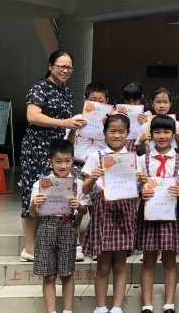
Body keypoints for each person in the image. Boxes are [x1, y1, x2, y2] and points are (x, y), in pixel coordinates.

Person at [20, 50, 86, 262]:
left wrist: (73, 128)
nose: (65, 70)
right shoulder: (39, 87)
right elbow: (32, 116)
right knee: (33, 191)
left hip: (58, 147)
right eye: (61, 66)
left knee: (55, 191)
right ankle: (29, 248)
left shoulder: (66, 92)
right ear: (50, 66)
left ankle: (49, 242)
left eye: (69, 67)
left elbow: (67, 123)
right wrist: (64, 123)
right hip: (37, 147)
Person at [81, 112, 146, 313]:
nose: (117, 135)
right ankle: (100, 306)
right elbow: (84, 190)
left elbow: (140, 192)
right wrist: (93, 177)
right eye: (112, 131)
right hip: (103, 211)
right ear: (104, 133)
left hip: (125, 211)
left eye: (121, 131)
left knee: (120, 264)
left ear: (128, 133)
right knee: (102, 266)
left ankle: (117, 307)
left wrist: (143, 181)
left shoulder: (135, 159)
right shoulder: (96, 157)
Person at [136, 115, 179, 313]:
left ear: (174, 135)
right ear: (150, 135)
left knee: (169, 259)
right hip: (148, 212)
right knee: (148, 259)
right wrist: (141, 191)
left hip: (171, 213)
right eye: (157, 132)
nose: (162, 136)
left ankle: (169, 303)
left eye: (167, 132)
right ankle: (147, 304)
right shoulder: (142, 160)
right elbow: (136, 186)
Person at [30, 139, 90, 313]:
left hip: (68, 227)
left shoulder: (78, 184)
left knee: (67, 273)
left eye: (67, 161)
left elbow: (84, 211)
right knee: (48, 275)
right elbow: (33, 214)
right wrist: (35, 203)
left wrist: (78, 206)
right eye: (58, 161)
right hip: (46, 227)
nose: (63, 166)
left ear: (73, 160)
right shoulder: (40, 184)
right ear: (50, 161)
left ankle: (67, 310)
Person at [64, 81, 109, 262]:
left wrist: (107, 126)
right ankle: (76, 244)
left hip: (100, 167)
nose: (97, 103)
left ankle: (96, 244)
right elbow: (68, 145)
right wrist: (74, 129)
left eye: (101, 100)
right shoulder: (77, 118)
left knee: (97, 206)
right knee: (76, 204)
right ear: (85, 100)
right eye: (93, 99)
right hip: (78, 166)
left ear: (106, 101)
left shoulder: (110, 119)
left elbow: (115, 142)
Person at [137, 87, 179, 155]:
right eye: (158, 102)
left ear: (170, 103)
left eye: (165, 102)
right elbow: (142, 152)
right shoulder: (145, 126)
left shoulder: (177, 125)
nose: (162, 105)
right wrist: (141, 141)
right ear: (152, 103)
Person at [121, 82, 148, 153]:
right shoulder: (118, 113)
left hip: (139, 150)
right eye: (127, 101)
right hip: (121, 148)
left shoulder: (147, 115)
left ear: (141, 97)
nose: (131, 104)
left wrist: (146, 124)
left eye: (135, 101)